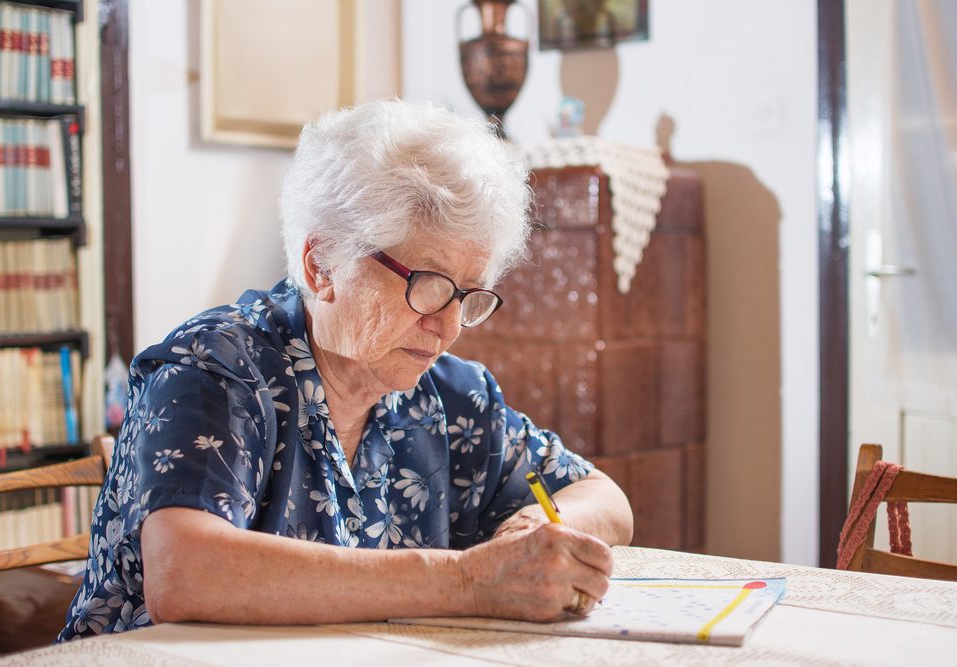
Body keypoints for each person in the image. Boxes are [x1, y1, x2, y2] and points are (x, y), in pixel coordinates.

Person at [58, 100, 633, 640]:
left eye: (467, 295)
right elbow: (185, 573)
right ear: (322, 264)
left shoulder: (452, 397)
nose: (450, 325)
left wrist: (532, 527)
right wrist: (468, 581)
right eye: (428, 285)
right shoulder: (215, 370)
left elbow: (605, 499)